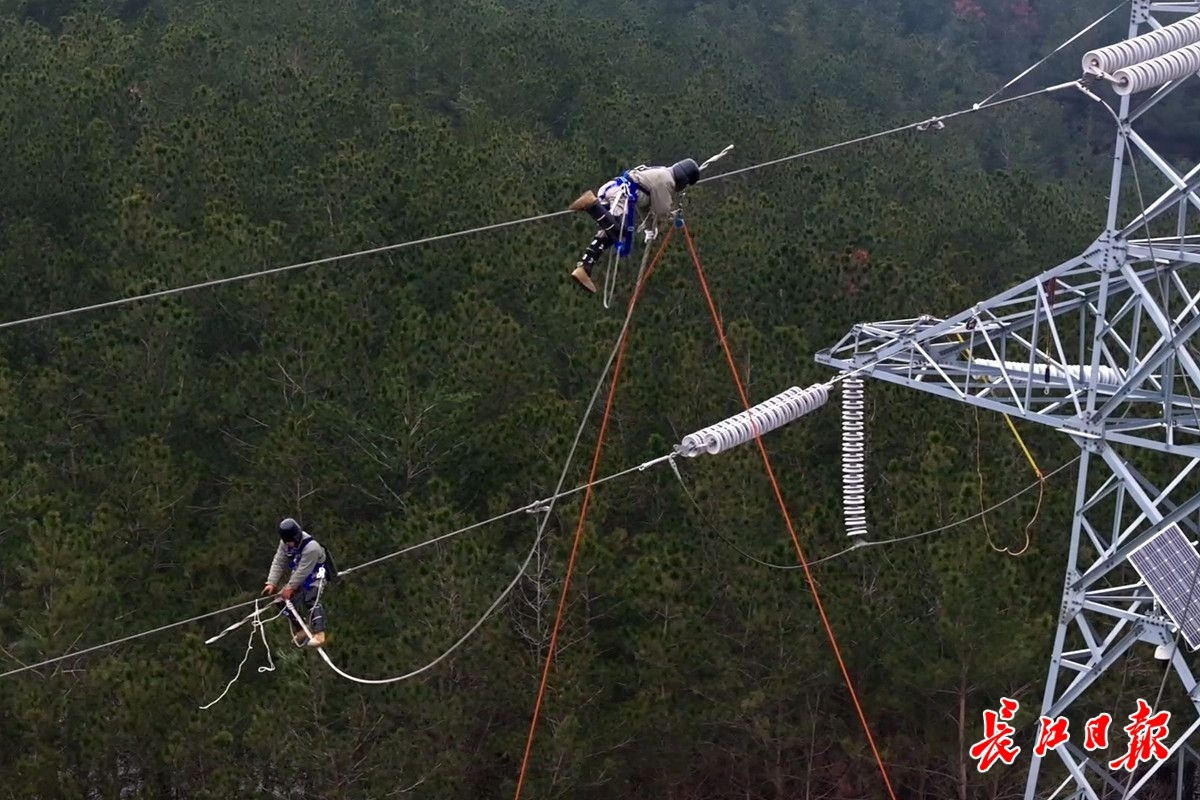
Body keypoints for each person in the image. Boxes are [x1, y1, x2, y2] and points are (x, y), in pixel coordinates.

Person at [568, 158, 701, 294]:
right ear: (684, 181)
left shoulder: (663, 173)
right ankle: (592, 205)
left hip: (615, 191)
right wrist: (674, 215)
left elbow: (646, 207)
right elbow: (661, 211)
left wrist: (650, 228)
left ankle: (585, 267)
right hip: (620, 193)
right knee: (620, 231)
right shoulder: (667, 180)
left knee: (610, 234)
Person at [263, 518, 329, 647]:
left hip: (315, 575)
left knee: (311, 599)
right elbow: (279, 561)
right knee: (280, 601)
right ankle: (301, 629)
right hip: (298, 575)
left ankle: (320, 634)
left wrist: (291, 587)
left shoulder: (312, 547)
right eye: (288, 542)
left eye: (292, 541)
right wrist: (272, 582)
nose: (290, 544)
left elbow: (303, 571)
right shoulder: (285, 543)